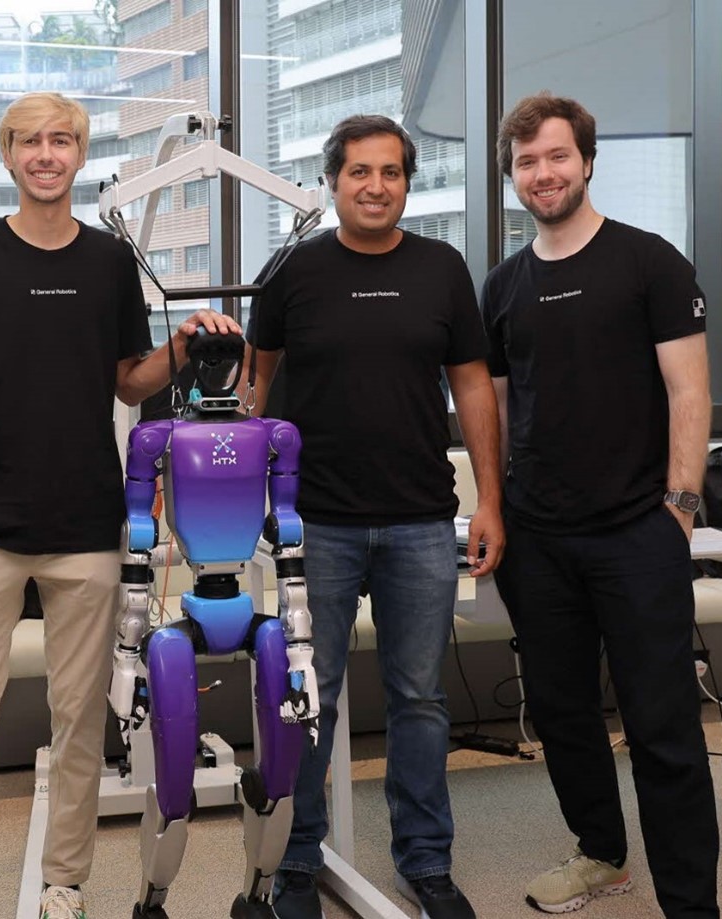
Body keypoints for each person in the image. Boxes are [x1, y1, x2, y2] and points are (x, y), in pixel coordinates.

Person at [0, 91, 239, 919]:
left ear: (80, 154)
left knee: (80, 716)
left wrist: (180, 346)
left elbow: (128, 382)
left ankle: (65, 880)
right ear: (8, 154)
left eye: (61, 140)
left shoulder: (107, 261)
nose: (45, 154)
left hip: (86, 523)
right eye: (29, 141)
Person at [246, 114, 504, 919]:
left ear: (406, 183)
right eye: (358, 171)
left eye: (390, 172)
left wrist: (490, 499)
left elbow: (471, 386)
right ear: (331, 181)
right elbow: (255, 386)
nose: (374, 186)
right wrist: (245, 493)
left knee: (418, 698)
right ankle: (297, 859)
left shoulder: (440, 268)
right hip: (313, 522)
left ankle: (425, 862)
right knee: (307, 695)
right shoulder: (291, 270)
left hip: (420, 519)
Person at [482, 93, 716, 918]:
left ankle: (690, 903)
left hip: (636, 531)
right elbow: (498, 416)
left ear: (585, 160)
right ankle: (601, 854)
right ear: (512, 175)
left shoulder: (649, 263)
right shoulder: (501, 286)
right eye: (526, 162)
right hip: (538, 540)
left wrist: (678, 509)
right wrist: (495, 508)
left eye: (556, 156)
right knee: (561, 712)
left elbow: (689, 392)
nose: (542, 174)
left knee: (661, 724)